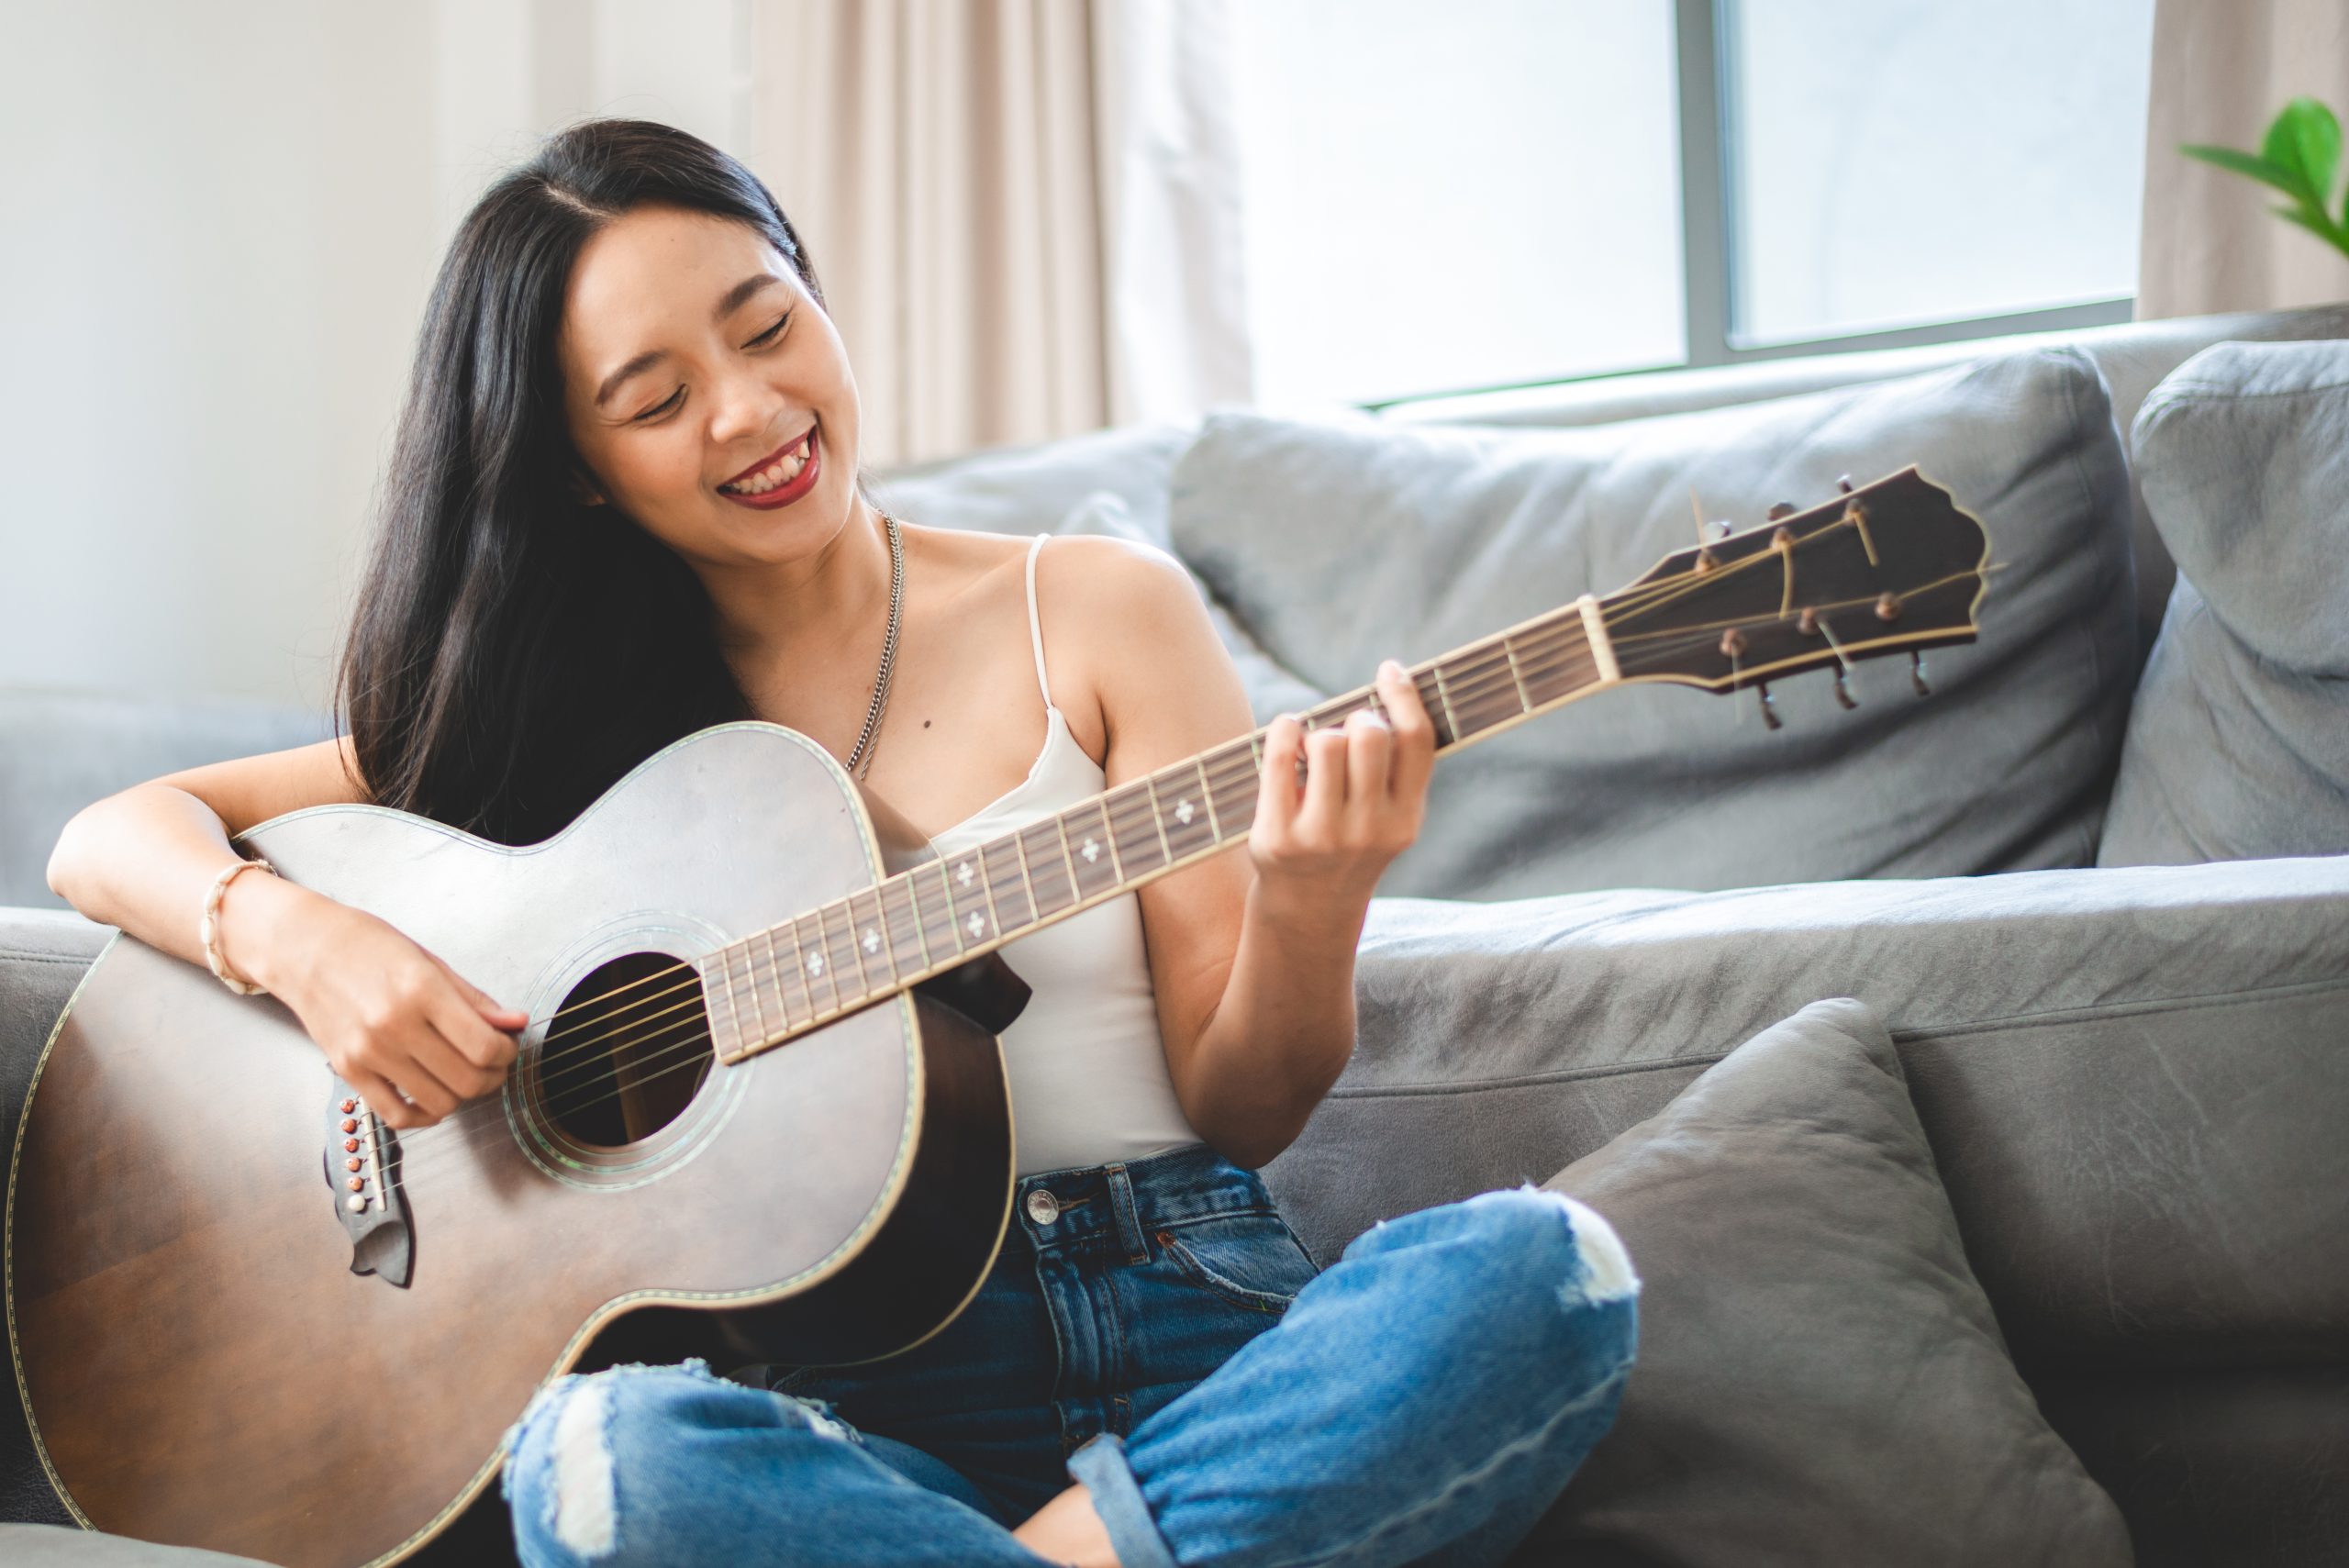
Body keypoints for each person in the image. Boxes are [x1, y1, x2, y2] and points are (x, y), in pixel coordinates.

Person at [44, 117, 1639, 1568]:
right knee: (609, 1458)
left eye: (768, 325)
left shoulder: (1089, 607)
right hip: (853, 1399)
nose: (753, 410)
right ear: (576, 471)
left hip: (1194, 1314)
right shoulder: (565, 728)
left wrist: (1312, 894)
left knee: (1545, 1275)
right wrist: (307, 943)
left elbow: (1245, 1102)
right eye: (656, 399)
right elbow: (114, 836)